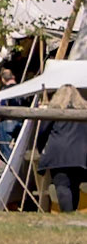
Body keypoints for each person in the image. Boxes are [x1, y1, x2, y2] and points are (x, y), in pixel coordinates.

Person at [37, 85, 87, 213]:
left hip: (58, 154)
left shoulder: (54, 112)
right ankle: (71, 213)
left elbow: (43, 132)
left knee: (62, 185)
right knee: (74, 185)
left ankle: (67, 214)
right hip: (79, 155)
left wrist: (41, 148)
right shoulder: (83, 112)